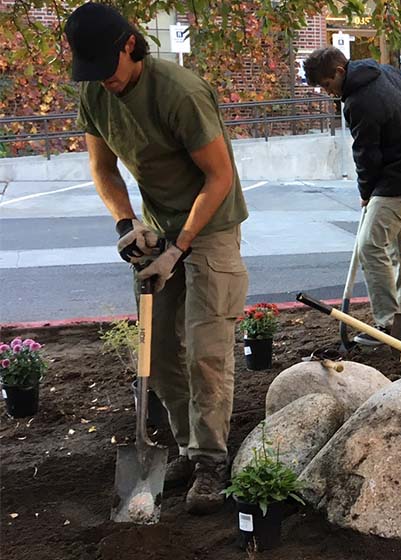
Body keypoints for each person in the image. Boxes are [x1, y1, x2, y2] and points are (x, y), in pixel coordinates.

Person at [66, 2, 249, 514]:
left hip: (208, 230)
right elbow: (103, 168)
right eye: (92, 72)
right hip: (157, 229)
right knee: (161, 353)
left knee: (205, 351)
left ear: (130, 45)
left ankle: (213, 462)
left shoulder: (179, 92)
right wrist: (127, 224)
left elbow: (219, 178)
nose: (104, 82)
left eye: (109, 68)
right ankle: (187, 448)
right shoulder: (95, 93)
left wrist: (180, 246)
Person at [303, 47, 401, 345]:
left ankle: (387, 324)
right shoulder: (383, 71)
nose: (327, 92)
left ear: (338, 71)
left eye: (326, 85)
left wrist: (365, 192)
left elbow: (366, 155)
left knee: (370, 246)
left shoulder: (358, 102)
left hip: (396, 183)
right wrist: (397, 115)